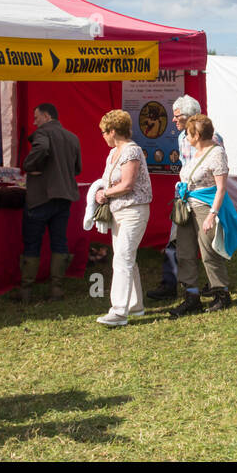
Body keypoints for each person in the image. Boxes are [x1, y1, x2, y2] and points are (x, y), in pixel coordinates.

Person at [149, 95, 224, 301]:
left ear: (191, 117)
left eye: (177, 116)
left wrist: (213, 208)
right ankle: (175, 285)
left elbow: (218, 175)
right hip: (184, 199)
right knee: (178, 242)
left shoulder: (214, 139)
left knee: (208, 245)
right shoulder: (182, 137)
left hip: (204, 201)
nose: (173, 120)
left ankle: (217, 288)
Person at [170, 114, 234, 314]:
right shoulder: (196, 153)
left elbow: (221, 188)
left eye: (188, 134)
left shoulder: (216, 153)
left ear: (197, 134)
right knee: (184, 252)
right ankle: (191, 296)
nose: (186, 137)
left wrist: (211, 215)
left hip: (205, 208)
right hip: (187, 207)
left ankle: (221, 294)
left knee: (209, 252)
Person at [18, 103, 82, 302]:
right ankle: (57, 289)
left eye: (36, 117)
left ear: (46, 116)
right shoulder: (73, 138)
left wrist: (28, 165)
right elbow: (77, 169)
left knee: (32, 243)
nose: (34, 121)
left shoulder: (42, 134)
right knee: (59, 242)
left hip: (40, 197)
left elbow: (43, 149)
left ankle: (26, 291)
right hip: (63, 197)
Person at [94, 110, 152, 326]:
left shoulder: (132, 151)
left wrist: (105, 193)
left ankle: (118, 311)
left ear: (112, 131)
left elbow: (127, 184)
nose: (102, 136)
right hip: (119, 211)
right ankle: (135, 307)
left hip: (133, 211)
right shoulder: (113, 153)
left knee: (123, 259)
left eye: (103, 132)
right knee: (125, 256)